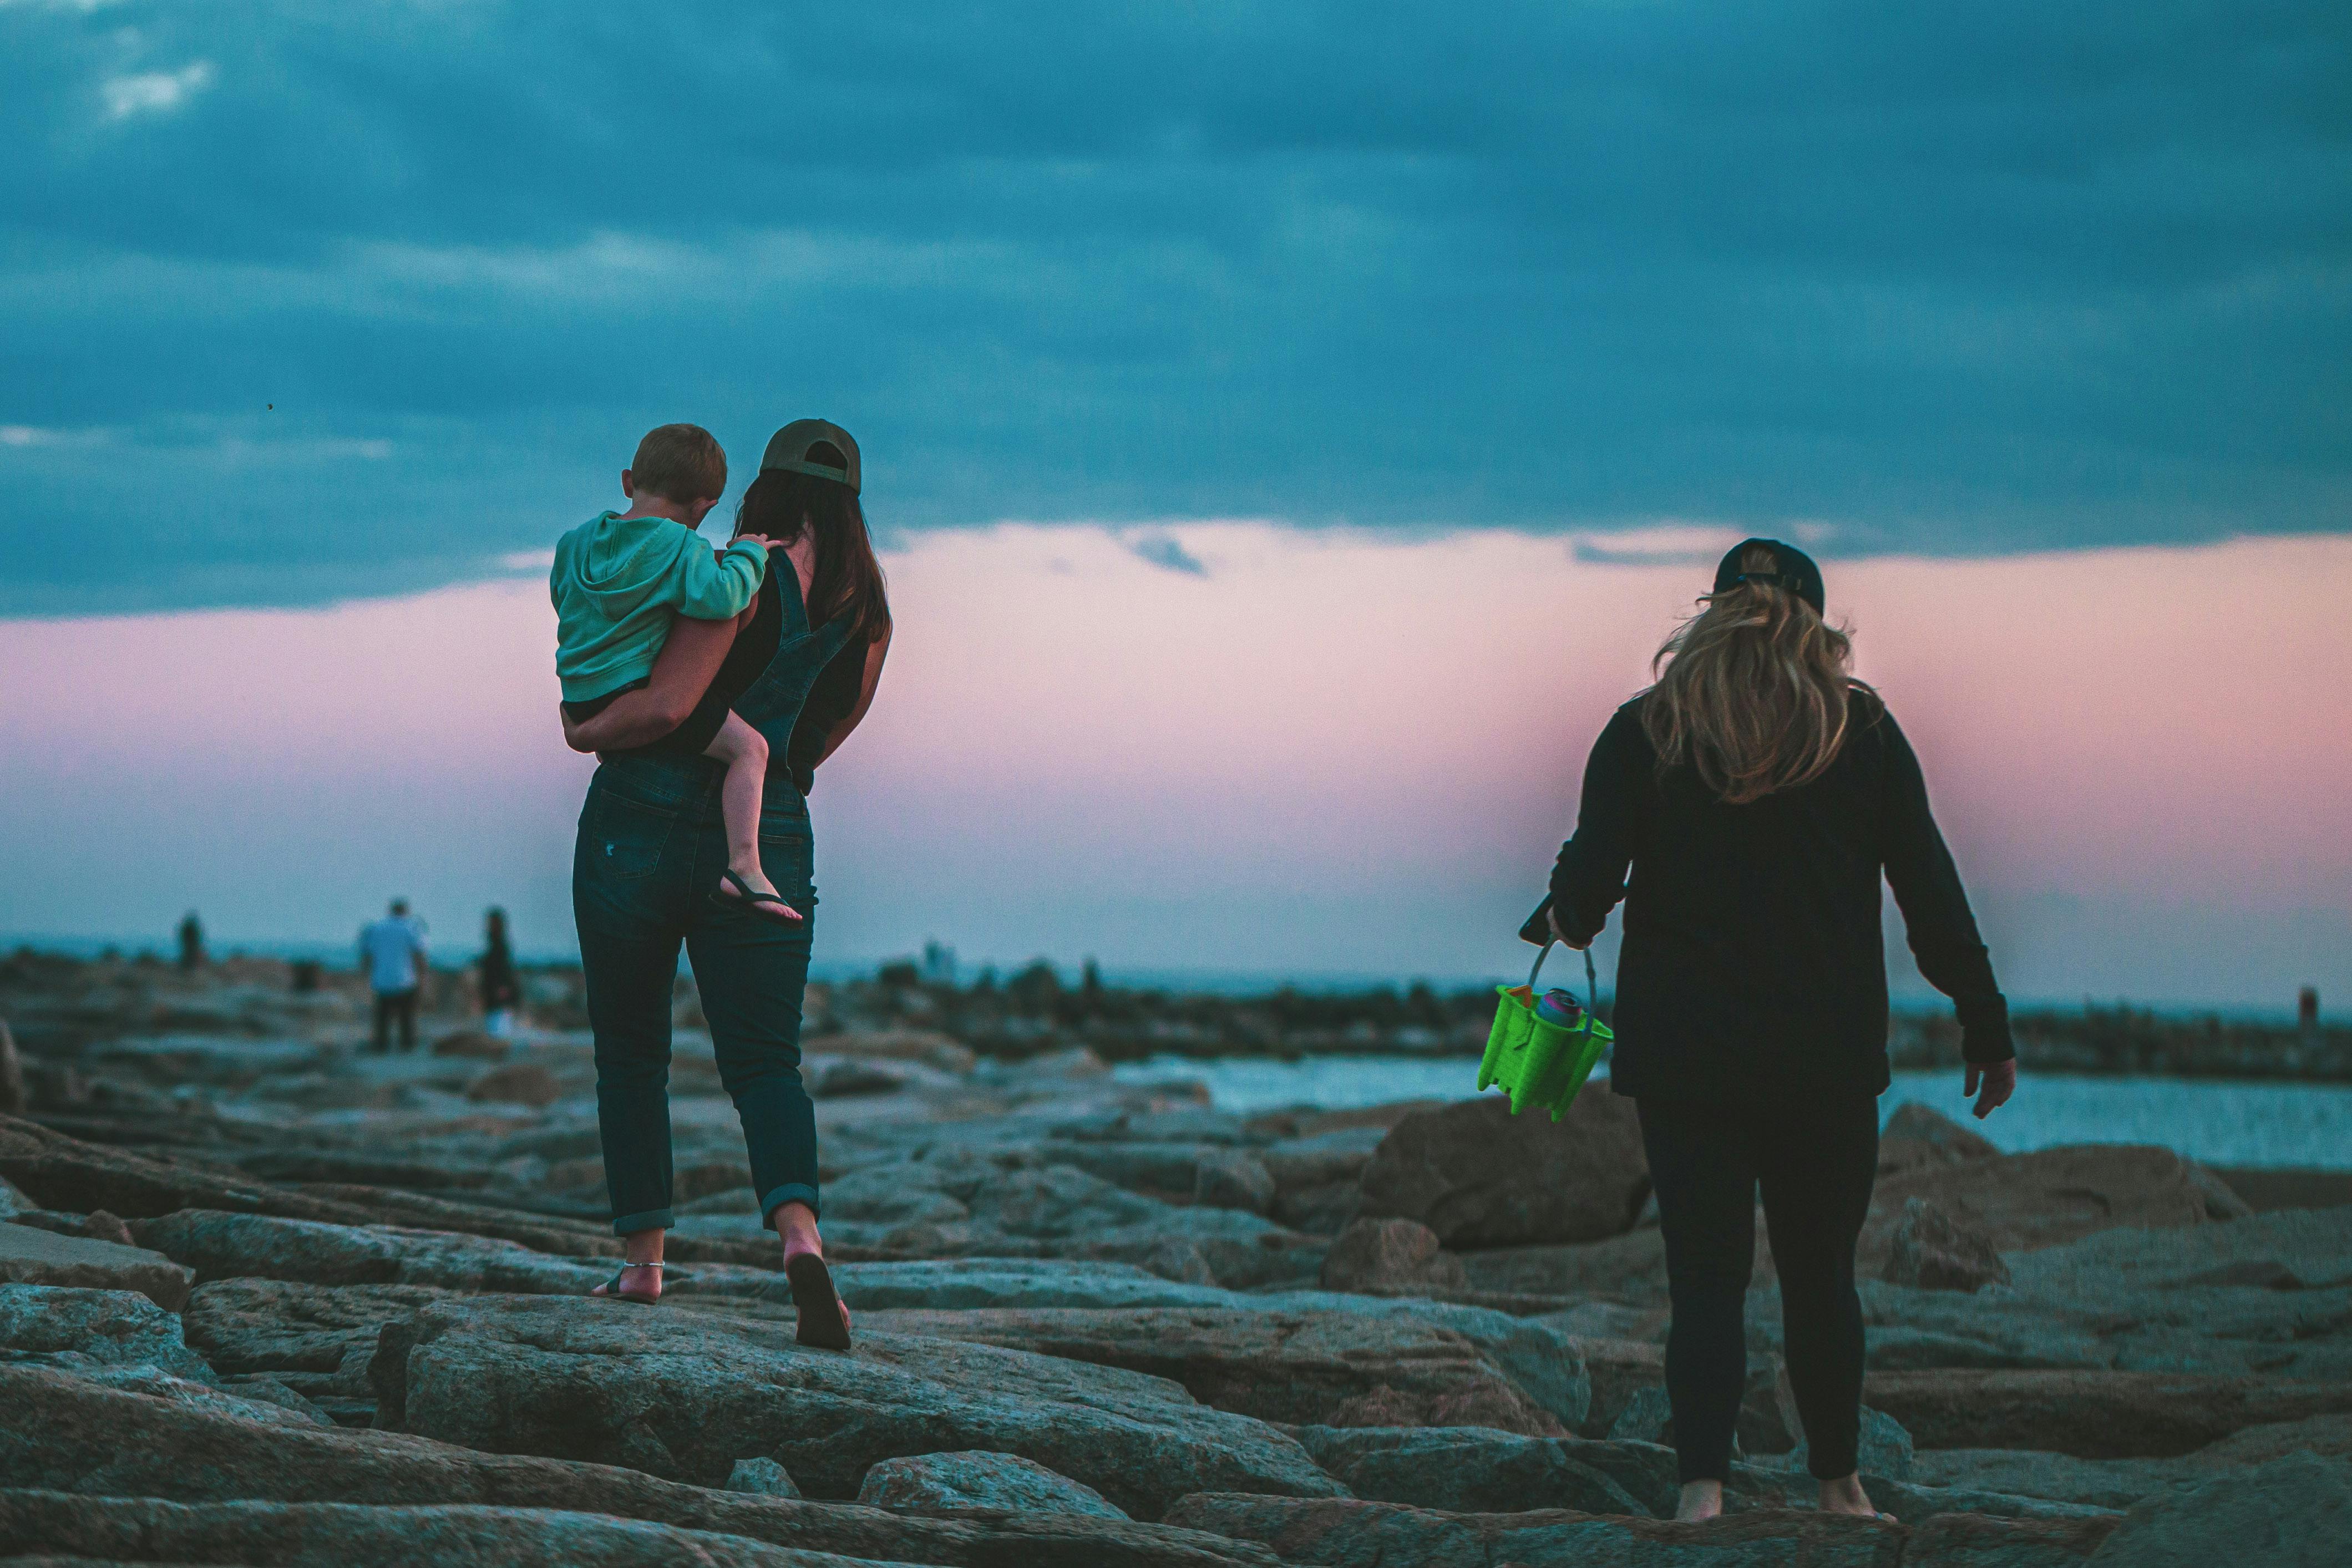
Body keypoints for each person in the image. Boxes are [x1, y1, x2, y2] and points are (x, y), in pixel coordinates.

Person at [1523, 538, 2017, 1524]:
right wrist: (1985, 1022)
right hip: (1823, 1058)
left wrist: (1564, 914)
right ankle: (1840, 1485)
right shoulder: (1861, 731)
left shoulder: (1647, 729)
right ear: (1818, 628)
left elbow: (1586, 888)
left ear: (1710, 615)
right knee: (1821, 1278)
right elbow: (1929, 890)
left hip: (1686, 1060)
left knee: (1705, 1281)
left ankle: (1701, 1492)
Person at [557, 419, 893, 1346]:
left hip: (642, 810)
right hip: (771, 827)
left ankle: (644, 1263)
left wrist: (585, 730)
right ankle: (801, 1238)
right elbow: (825, 735)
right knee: (766, 1062)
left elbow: (670, 703)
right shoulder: (870, 612)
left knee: (632, 1049)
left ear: (763, 489)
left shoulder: (739, 573)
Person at [551, 423, 799, 923]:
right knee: (750, 749)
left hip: (581, 693)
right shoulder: (683, 548)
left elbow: (563, 596)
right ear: (704, 507)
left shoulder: (574, 543)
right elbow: (723, 596)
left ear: (628, 481)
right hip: (636, 691)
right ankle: (745, 866)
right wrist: (750, 552)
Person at [358, 899, 430, 1053]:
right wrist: (423, 976)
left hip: (382, 980)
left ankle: (381, 1045)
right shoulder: (411, 928)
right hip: (405, 979)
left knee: (382, 1017)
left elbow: (366, 953)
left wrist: (367, 974)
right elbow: (420, 954)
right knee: (406, 1018)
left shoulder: (377, 928)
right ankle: (407, 1047)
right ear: (406, 911)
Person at [477, 908, 521, 1039]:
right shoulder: (497, 946)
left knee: (499, 1033)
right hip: (494, 997)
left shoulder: (500, 947)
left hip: (499, 998)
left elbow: (503, 971)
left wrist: (503, 988)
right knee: (496, 1030)